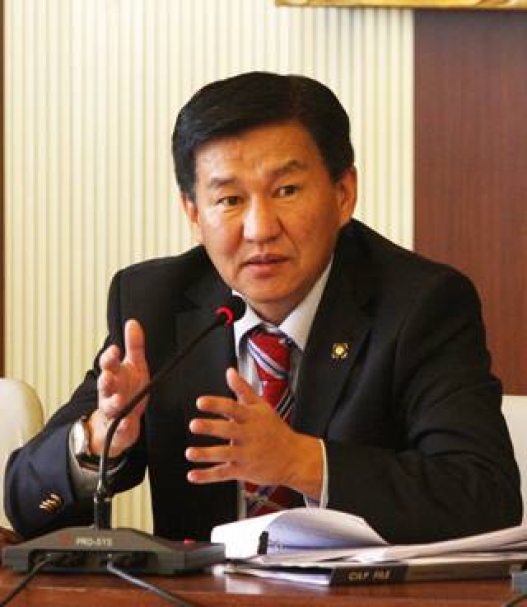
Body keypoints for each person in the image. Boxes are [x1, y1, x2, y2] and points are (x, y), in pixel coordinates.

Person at [5, 71, 521, 544]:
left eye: (286, 190)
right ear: (193, 212)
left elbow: (485, 498)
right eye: (230, 200)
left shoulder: (421, 304)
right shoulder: (156, 304)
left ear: (344, 193)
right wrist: (101, 437)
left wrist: (302, 462)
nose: (259, 229)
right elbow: (28, 507)